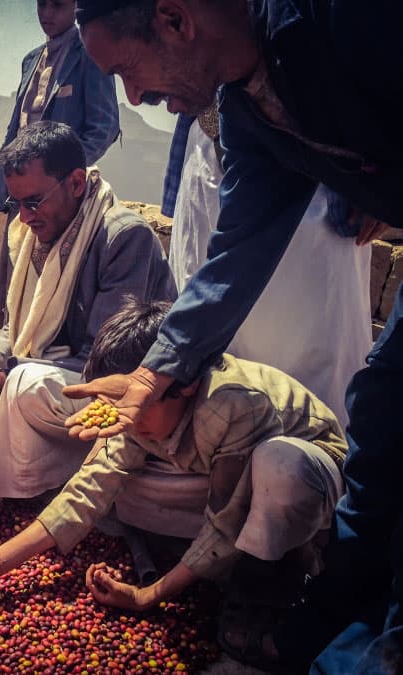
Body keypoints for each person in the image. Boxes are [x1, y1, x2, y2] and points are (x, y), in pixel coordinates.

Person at [71, 1, 402, 670]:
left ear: (174, 19)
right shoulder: (248, 115)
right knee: (383, 411)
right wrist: (149, 378)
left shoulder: (344, 21)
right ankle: (333, 616)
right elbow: (235, 259)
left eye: (130, 72)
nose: (138, 98)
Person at [0, 297, 346, 624]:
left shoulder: (229, 406)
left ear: (180, 386)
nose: (123, 416)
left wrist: (149, 595)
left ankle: (280, 572)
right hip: (222, 461)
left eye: (130, 404)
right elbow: (87, 489)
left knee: (277, 469)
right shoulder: (142, 409)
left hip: (308, 468)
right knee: (127, 487)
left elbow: (224, 522)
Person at [0, 121, 174, 499]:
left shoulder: (123, 237)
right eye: (15, 203)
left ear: (75, 183)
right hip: (47, 363)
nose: (23, 216)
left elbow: (106, 363)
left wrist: (5, 372)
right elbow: (9, 327)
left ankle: (28, 491)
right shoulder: (28, 232)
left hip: (108, 386)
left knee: (24, 383)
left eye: (33, 202)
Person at [166, 106, 373, 427]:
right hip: (209, 153)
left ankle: (318, 462)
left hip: (315, 177)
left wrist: (386, 179)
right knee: (212, 340)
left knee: (316, 351)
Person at [0, 0, 121, 330]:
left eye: (58, 6)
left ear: (75, 7)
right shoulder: (31, 60)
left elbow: (104, 127)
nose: (47, 15)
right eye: (42, 5)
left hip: (57, 199)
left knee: (46, 294)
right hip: (20, 194)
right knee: (10, 287)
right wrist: (6, 179)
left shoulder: (89, 54)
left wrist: (59, 177)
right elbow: (16, 127)